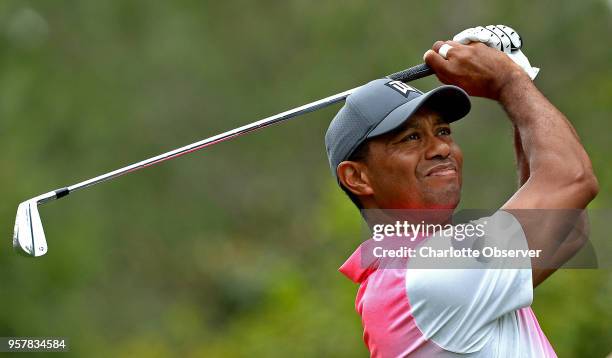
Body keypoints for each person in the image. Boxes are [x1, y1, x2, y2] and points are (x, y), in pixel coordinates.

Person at [324, 28, 599, 357]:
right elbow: (572, 179)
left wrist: (515, 81)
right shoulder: (430, 273)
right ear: (357, 177)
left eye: (442, 131)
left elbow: (563, 229)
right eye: (411, 138)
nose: (440, 147)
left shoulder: (404, 274)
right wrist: (509, 82)